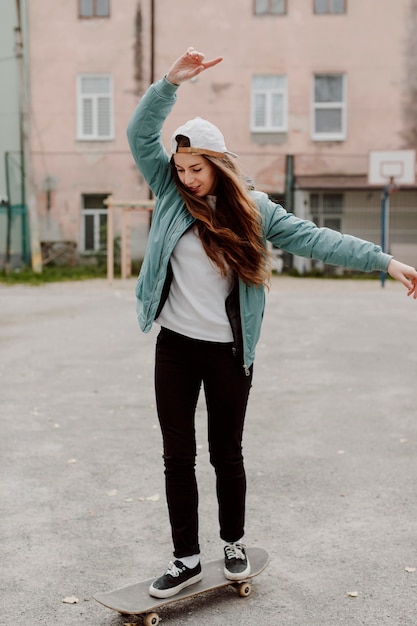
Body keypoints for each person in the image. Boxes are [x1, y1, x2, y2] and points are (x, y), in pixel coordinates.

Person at [127, 47, 417, 599]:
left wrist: (385, 260)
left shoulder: (255, 210)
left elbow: (318, 238)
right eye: (181, 169)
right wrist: (169, 83)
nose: (186, 178)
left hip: (230, 351)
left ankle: (232, 543)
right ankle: (185, 558)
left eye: (196, 169)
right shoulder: (167, 192)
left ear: (218, 163)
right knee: (176, 454)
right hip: (175, 348)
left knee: (225, 452)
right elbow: (140, 134)